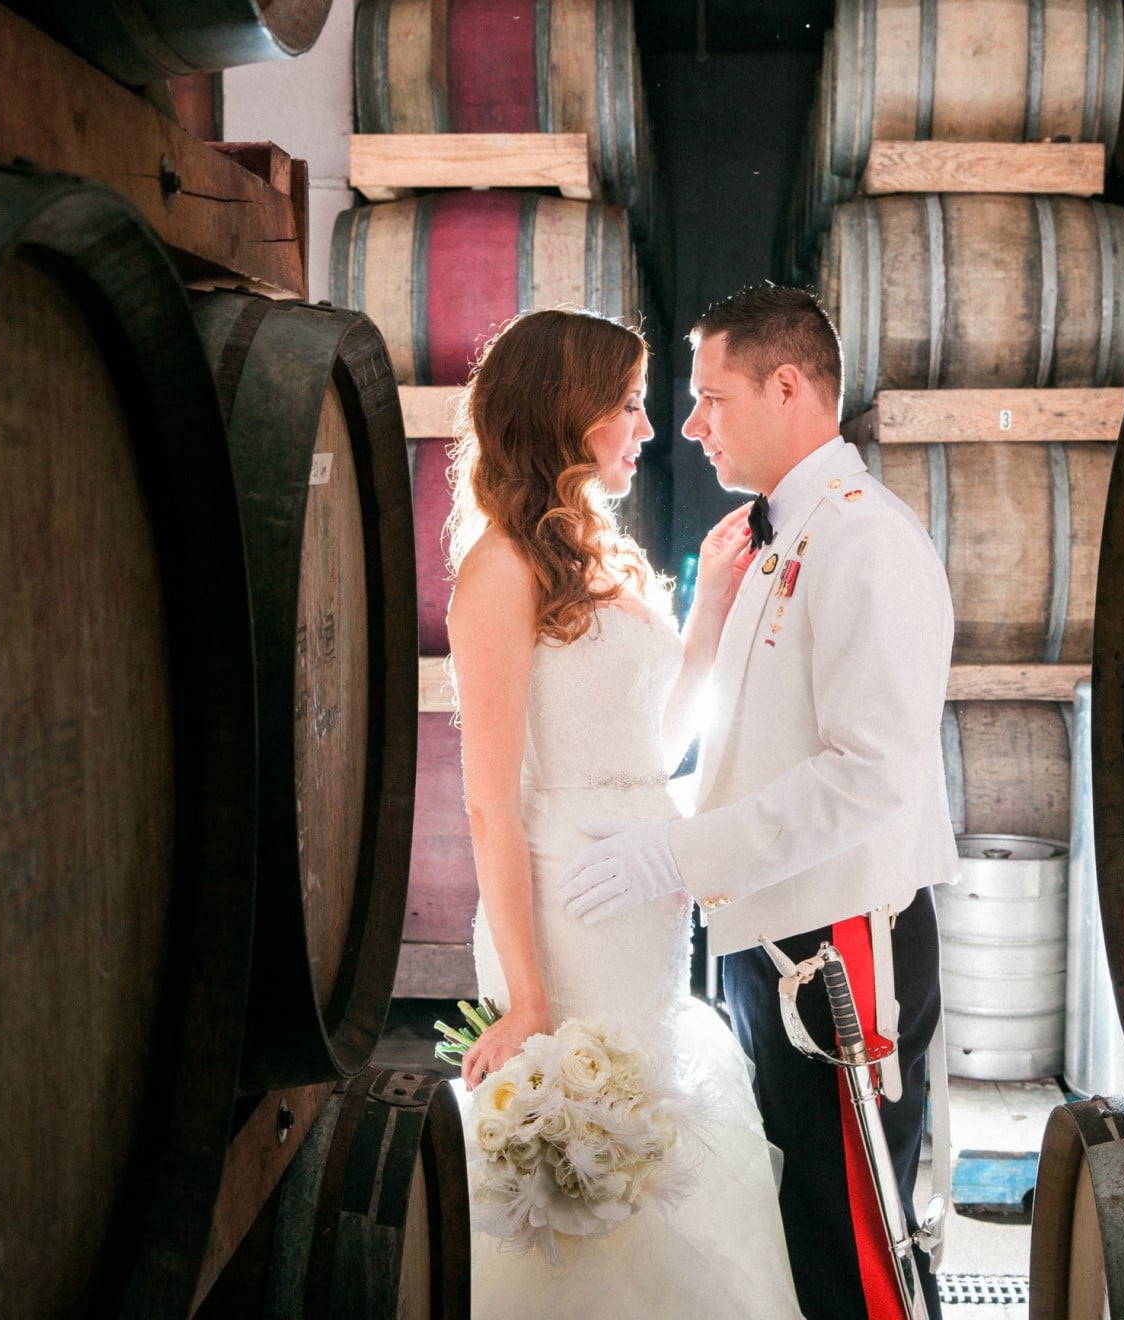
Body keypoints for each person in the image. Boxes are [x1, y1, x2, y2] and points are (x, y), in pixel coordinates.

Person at [561, 284, 958, 1320]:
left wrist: (676, 856)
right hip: (772, 939)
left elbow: (870, 775)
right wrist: (656, 820)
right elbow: (753, 745)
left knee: (854, 1251)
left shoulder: (868, 541)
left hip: (838, 954)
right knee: (793, 1235)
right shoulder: (777, 536)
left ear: (787, 387)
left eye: (711, 397)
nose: (692, 425)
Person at [446, 307, 804, 1317]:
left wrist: (711, 617)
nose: (649, 429)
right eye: (630, 406)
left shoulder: (598, 558)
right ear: (566, 418)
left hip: (644, 908)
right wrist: (525, 999)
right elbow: (489, 801)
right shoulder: (501, 573)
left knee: (648, 1170)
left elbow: (650, 753)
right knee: (585, 1203)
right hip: (565, 923)